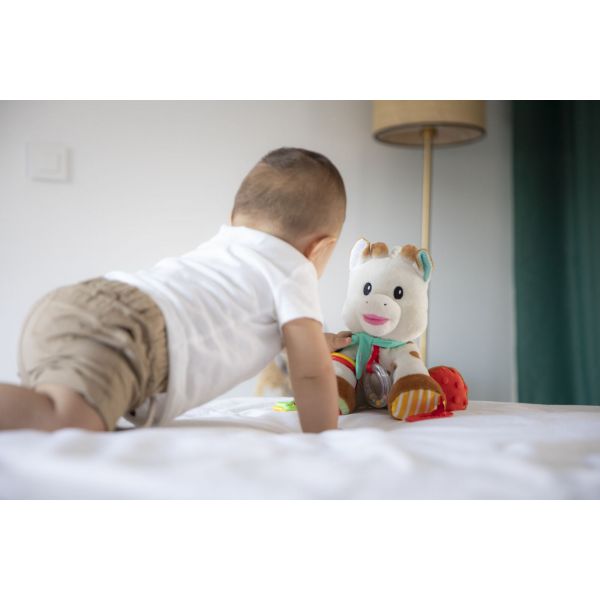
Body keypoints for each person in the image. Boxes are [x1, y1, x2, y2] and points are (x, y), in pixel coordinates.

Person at [0, 147, 352, 434]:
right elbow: (310, 371)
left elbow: (277, 335)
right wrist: (324, 437)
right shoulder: (294, 268)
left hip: (75, 306)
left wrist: (319, 341)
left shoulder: (225, 246)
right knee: (66, 420)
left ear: (234, 218)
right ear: (319, 248)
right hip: (127, 333)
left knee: (43, 410)